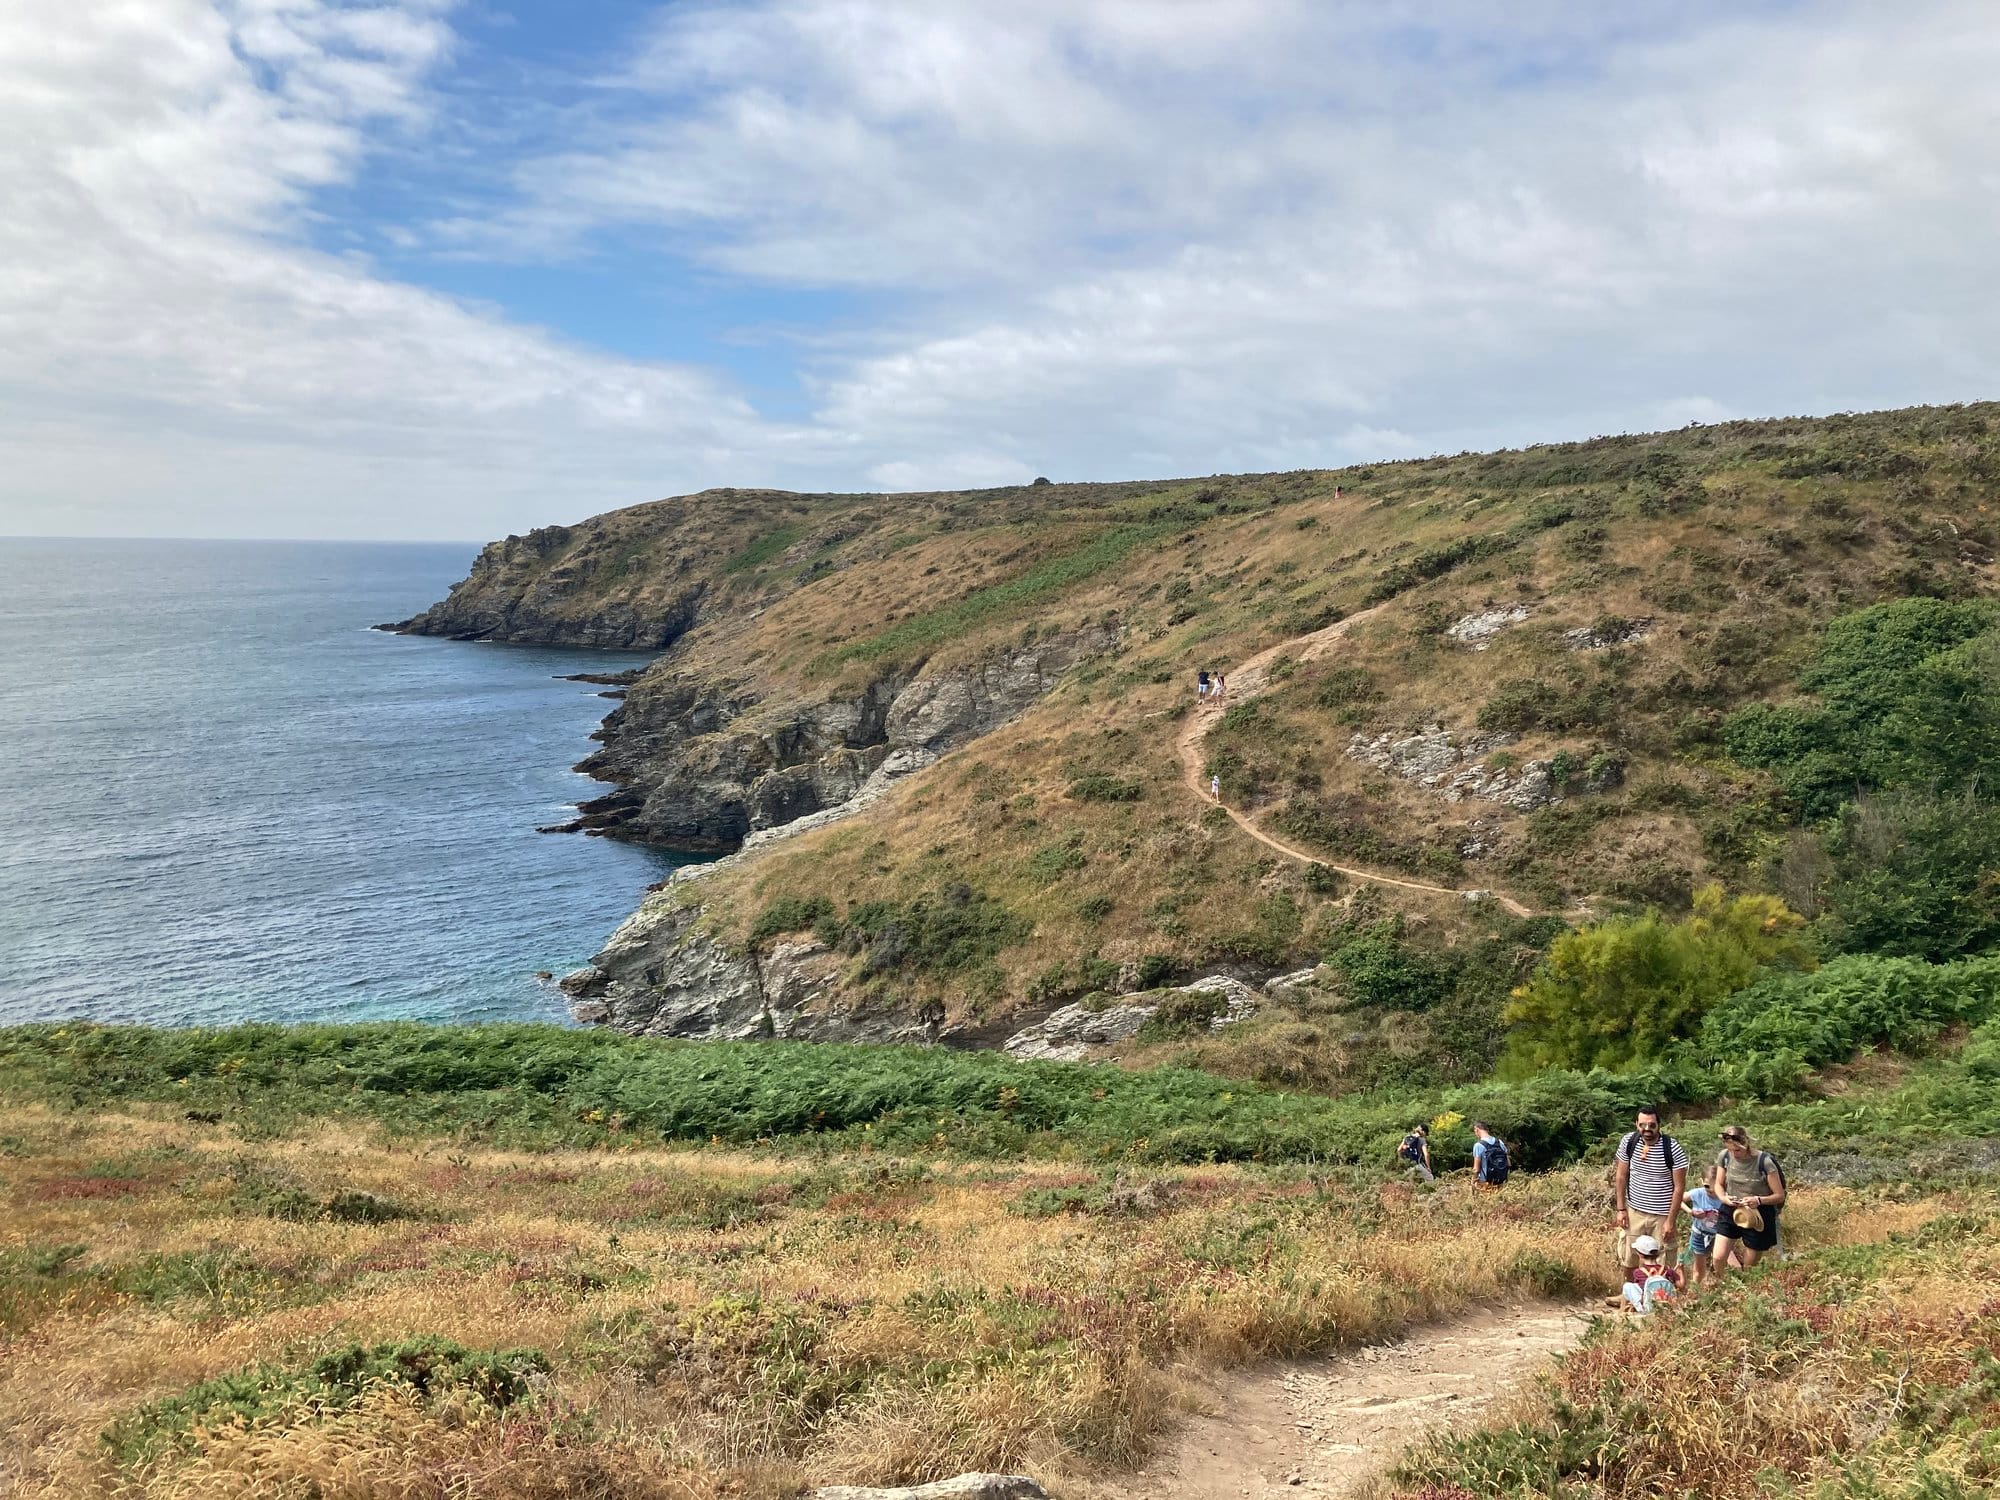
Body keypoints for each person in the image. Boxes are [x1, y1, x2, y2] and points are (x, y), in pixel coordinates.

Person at [1613, 1107, 1686, 1272]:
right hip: (1634, 1212)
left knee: (1662, 1261)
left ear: (1659, 1125)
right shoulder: (1629, 1142)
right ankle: (1629, 1295)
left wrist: (1670, 1221)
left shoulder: (1672, 1148)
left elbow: (1679, 1188)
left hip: (1661, 1215)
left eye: (1652, 1125)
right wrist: (1621, 1209)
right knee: (1629, 1257)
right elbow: (1621, 1176)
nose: (1647, 1129)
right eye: (1642, 1125)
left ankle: (1658, 1296)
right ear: (1636, 1125)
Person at [1710, 1125, 1785, 1272]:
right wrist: (1724, 1198)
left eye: (1737, 1150)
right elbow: (1718, 1184)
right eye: (1730, 1149)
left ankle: (1744, 1289)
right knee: (1718, 1257)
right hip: (1731, 1208)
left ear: (1746, 1144)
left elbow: (1779, 1195)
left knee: (1750, 1266)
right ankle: (1721, 1286)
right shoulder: (1724, 1156)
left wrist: (1758, 1200)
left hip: (1758, 1213)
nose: (1734, 1153)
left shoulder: (1764, 1162)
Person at [1620, 1234, 1684, 1314]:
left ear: (1640, 1254)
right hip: (1666, 1305)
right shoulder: (1667, 1270)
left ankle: (1621, 1313)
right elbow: (1681, 1285)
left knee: (1627, 1286)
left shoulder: (1638, 1272)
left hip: (1647, 1308)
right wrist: (1681, 1270)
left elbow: (1641, 1290)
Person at [1681, 1183, 1723, 1288]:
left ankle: (1720, 1290)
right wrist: (1691, 1212)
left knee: (1721, 1266)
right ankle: (1695, 1292)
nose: (1711, 1190)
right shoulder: (1698, 1193)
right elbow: (1678, 1198)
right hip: (1699, 1235)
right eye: (1707, 1187)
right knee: (1699, 1270)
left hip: (1720, 1237)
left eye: (1715, 1187)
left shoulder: (1725, 1196)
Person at [1471, 1121, 1509, 1186]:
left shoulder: (1478, 1145)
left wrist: (1473, 1182)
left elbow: (1476, 1169)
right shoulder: (1500, 1142)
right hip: (1500, 1182)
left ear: (1477, 1129)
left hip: (1485, 1182)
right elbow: (1508, 1164)